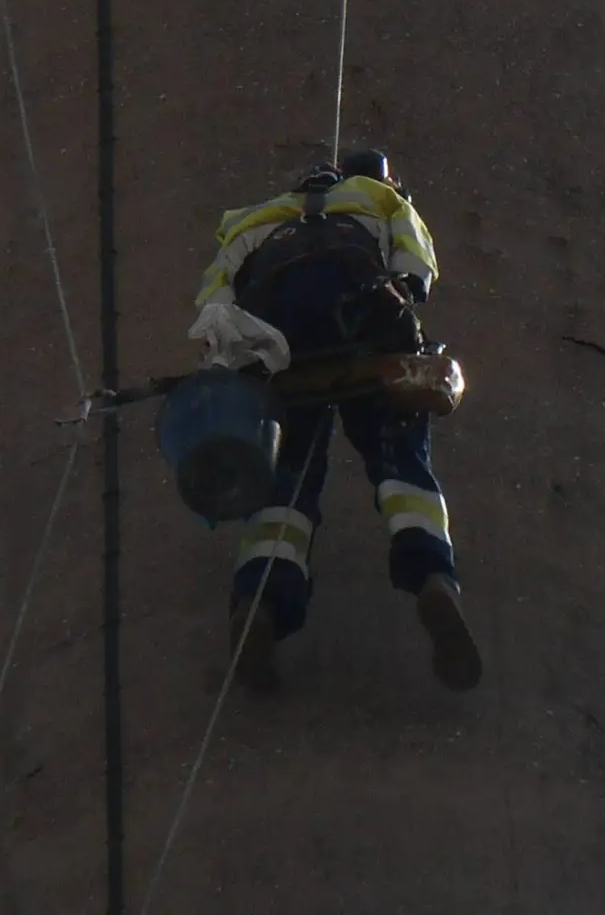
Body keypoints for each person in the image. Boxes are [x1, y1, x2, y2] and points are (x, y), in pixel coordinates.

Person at [188, 147, 482, 691]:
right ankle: (433, 577)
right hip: (365, 333)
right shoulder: (379, 196)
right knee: (400, 461)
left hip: (282, 352)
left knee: (285, 479)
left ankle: (261, 600)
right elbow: (416, 263)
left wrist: (226, 362)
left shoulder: (253, 219)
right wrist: (406, 291)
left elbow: (214, 303)